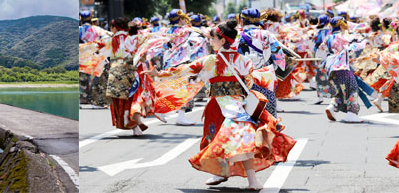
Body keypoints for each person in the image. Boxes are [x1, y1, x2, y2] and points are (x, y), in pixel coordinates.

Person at [158, 20, 296, 190]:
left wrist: (159, 74)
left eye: (213, 38)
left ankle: (221, 173)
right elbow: (250, 81)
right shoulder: (244, 61)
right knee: (243, 142)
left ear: (222, 40)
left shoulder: (209, 61)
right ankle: (252, 181)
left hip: (218, 107)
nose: (210, 41)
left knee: (218, 140)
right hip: (239, 107)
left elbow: (182, 70)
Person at [101, 17, 154, 136]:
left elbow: (101, 54)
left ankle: (129, 122)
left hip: (116, 72)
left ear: (114, 28)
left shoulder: (110, 39)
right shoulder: (133, 38)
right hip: (132, 71)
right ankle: (136, 125)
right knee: (133, 97)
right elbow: (143, 55)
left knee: (121, 100)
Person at [317, 17, 368, 123]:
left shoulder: (329, 37)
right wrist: (365, 41)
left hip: (330, 67)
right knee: (353, 89)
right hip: (342, 67)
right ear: (341, 25)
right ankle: (351, 114)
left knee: (340, 91)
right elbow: (354, 45)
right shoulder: (343, 36)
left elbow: (321, 49)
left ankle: (332, 106)